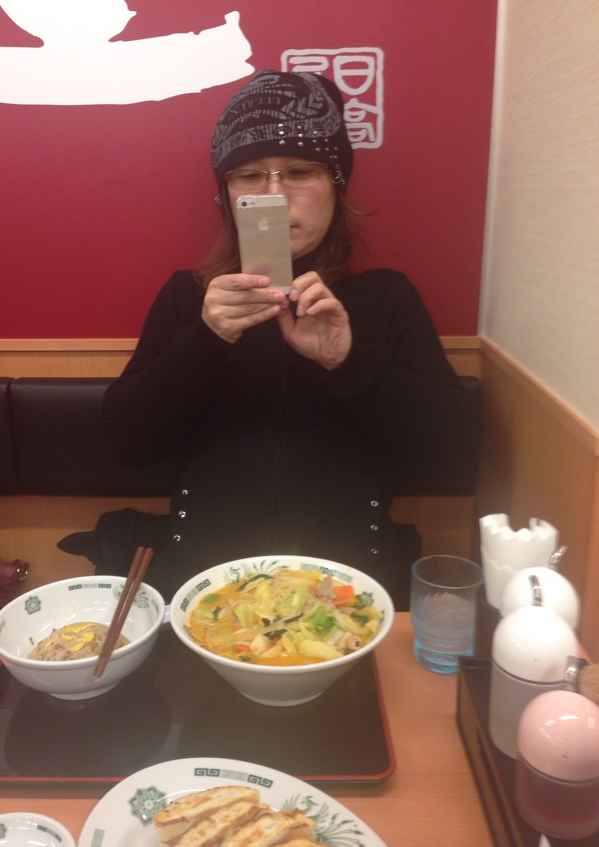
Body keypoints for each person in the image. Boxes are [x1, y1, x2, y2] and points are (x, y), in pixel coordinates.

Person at [102, 69, 481, 609]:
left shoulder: (385, 297)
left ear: (337, 186)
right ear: (226, 196)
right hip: (207, 583)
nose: (275, 195)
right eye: (249, 176)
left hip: (348, 584)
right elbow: (127, 444)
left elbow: (455, 451)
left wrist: (349, 361)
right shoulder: (190, 298)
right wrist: (205, 340)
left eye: (300, 172)